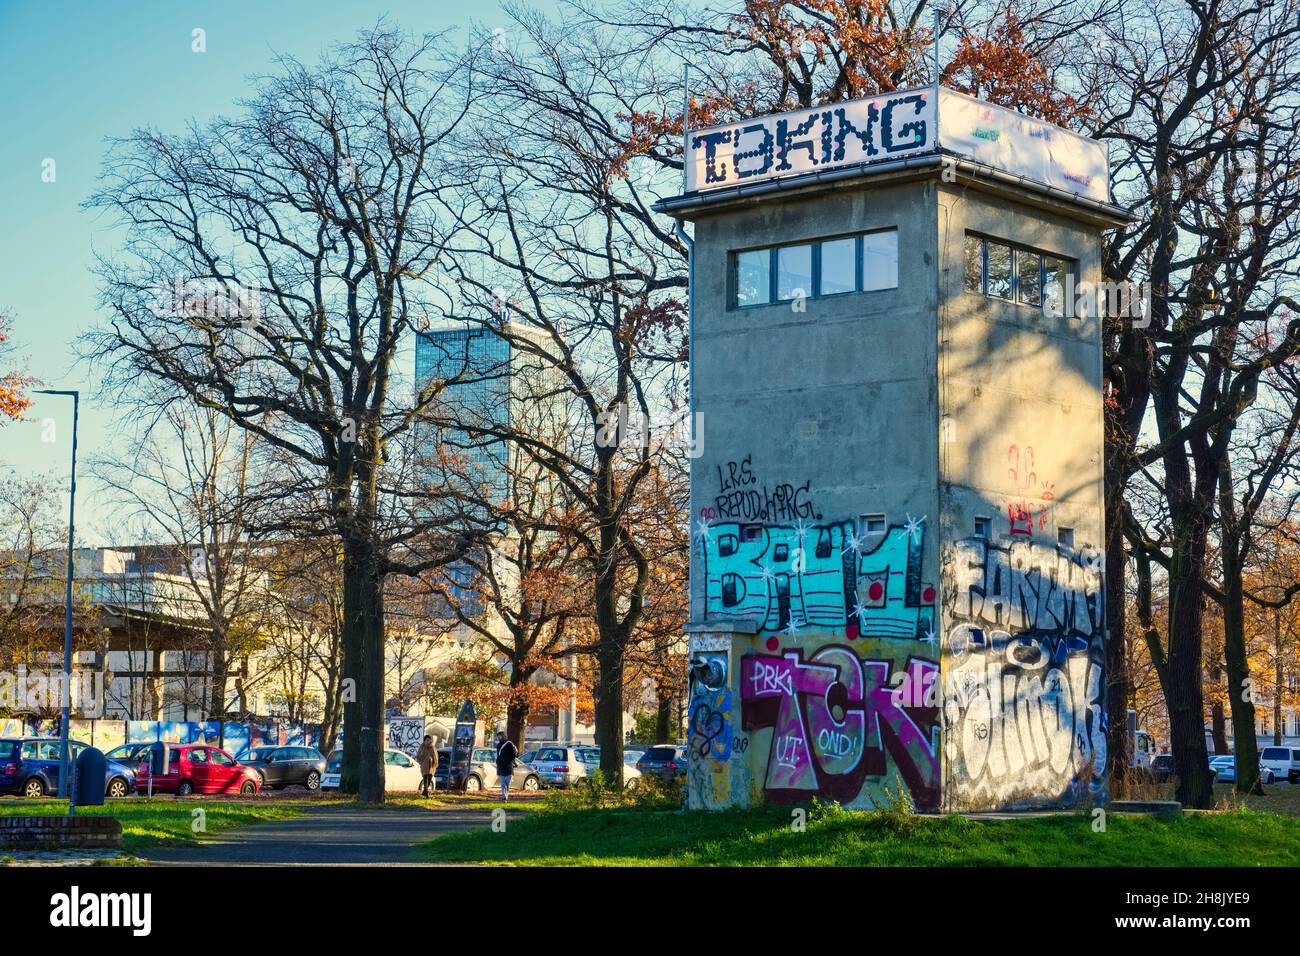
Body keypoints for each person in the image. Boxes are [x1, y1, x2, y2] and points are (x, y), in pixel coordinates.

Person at [494, 731, 518, 802]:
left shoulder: (509, 744)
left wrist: (512, 760)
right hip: (501, 767)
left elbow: (515, 752)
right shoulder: (498, 745)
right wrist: (498, 761)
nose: (499, 738)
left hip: (508, 767)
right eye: (498, 736)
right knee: (502, 784)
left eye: (500, 736)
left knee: (507, 784)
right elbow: (498, 755)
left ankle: (505, 796)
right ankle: (504, 797)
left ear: (503, 736)